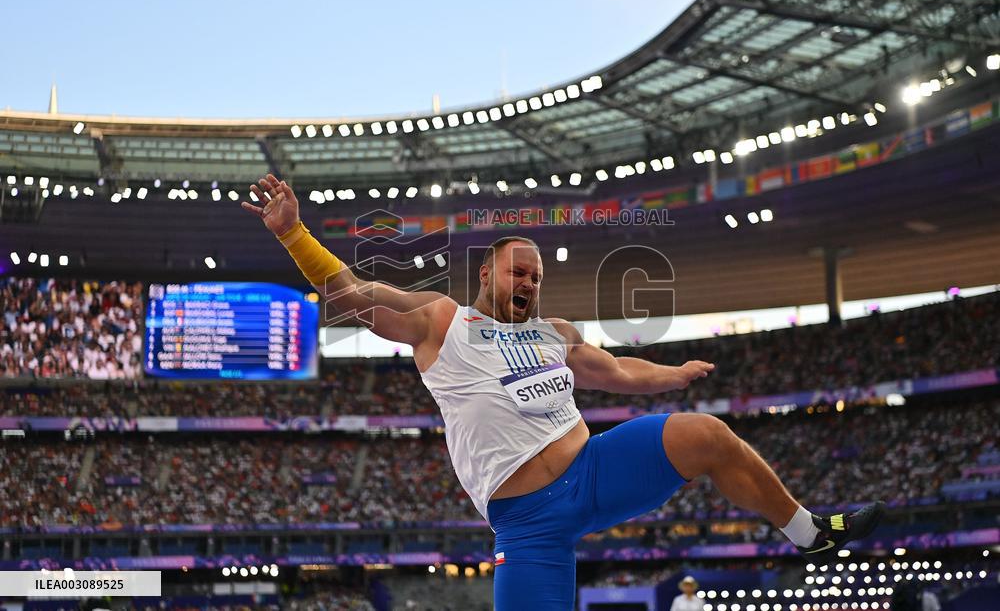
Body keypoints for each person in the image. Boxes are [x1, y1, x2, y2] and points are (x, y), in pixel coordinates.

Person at [243, 174, 885, 611]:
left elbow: (614, 370)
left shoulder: (555, 333)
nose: (528, 280)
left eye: (536, 274)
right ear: (486, 274)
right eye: (516, 269)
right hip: (527, 523)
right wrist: (293, 235)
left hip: (595, 469)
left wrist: (673, 376)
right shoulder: (444, 322)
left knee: (707, 434)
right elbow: (353, 298)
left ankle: (807, 532)